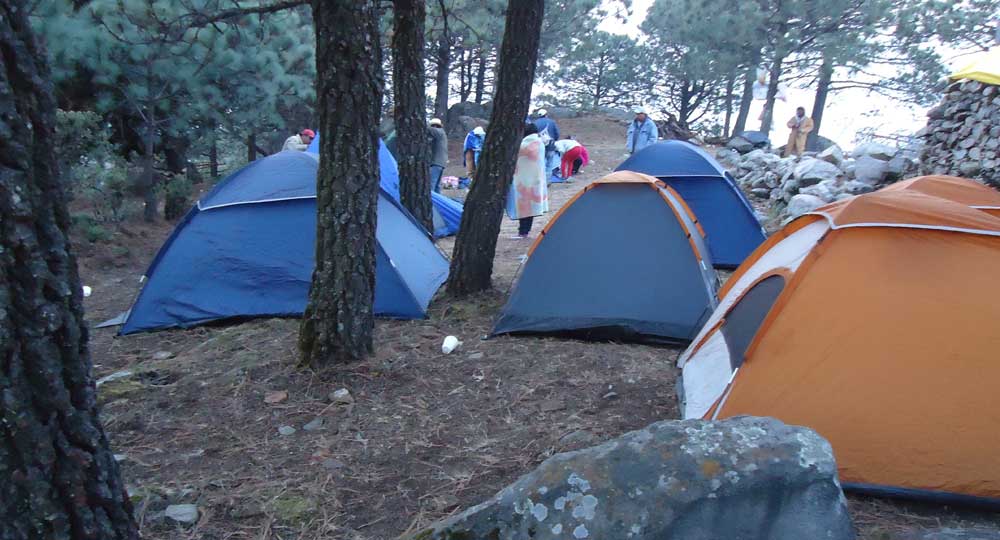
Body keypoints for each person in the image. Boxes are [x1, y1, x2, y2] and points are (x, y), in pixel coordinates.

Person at [507, 123, 548, 239]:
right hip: (535, 180)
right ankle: (524, 231)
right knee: (529, 208)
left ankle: (523, 232)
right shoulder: (539, 143)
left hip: (525, 181)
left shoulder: (527, 144)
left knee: (525, 207)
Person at [533, 108, 560, 178]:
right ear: (546, 115)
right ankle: (547, 180)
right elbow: (557, 134)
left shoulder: (535, 123)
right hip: (550, 146)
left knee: (540, 163)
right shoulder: (551, 122)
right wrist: (554, 140)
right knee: (549, 164)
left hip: (538, 146)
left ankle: (539, 179)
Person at [427, 118, 448, 193]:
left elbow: (429, 129)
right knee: (437, 186)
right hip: (441, 163)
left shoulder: (439, 132)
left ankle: (432, 201)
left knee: (431, 185)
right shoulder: (440, 135)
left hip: (436, 162)